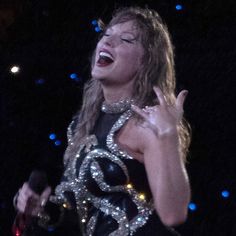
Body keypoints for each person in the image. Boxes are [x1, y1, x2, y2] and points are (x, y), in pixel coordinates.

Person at [14, 6, 191, 236]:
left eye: (126, 40)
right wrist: (39, 207)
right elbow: (77, 211)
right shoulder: (83, 123)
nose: (108, 43)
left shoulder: (147, 123)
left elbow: (173, 214)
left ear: (145, 62)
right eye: (106, 36)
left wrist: (168, 136)